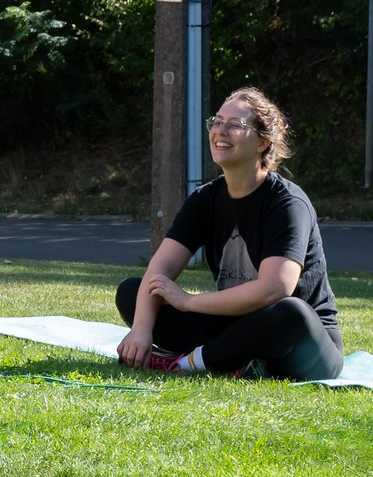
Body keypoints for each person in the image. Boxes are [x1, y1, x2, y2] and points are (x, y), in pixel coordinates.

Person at [116, 86, 344, 380]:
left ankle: (188, 364)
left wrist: (189, 301)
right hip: (235, 327)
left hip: (299, 342)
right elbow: (159, 270)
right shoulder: (205, 199)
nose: (220, 131)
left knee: (291, 311)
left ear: (263, 142)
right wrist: (141, 330)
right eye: (217, 122)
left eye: (234, 125)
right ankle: (232, 361)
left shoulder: (287, 203)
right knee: (134, 292)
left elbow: (274, 289)